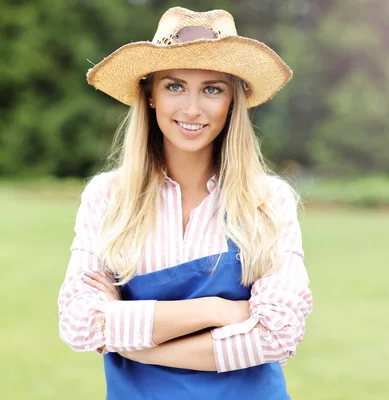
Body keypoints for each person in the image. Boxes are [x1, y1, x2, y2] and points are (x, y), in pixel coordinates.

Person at [58, 6, 312, 400]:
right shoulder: (107, 198)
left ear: (233, 101)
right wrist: (216, 310)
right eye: (174, 86)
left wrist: (132, 342)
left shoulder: (268, 201)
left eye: (212, 88)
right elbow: (80, 325)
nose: (192, 108)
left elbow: (279, 332)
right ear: (150, 96)